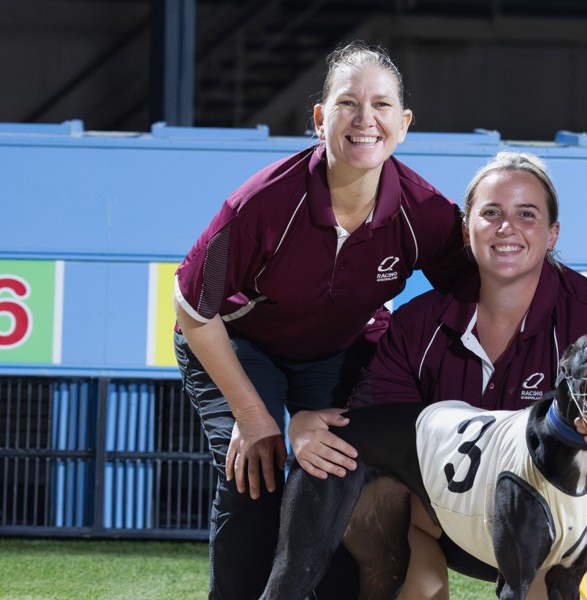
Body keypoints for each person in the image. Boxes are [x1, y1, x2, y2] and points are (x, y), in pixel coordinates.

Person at [290, 152, 587, 599]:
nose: (507, 227)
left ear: (552, 235)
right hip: (491, 510)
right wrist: (303, 426)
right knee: (374, 495)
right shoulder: (419, 323)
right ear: (467, 229)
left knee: (571, 589)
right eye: (491, 213)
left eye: (526, 215)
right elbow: (375, 439)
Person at [172, 40, 469, 599]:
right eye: (347, 103)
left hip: (337, 348)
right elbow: (191, 309)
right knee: (252, 473)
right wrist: (256, 417)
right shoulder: (261, 203)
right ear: (319, 118)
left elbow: (471, 295)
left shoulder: (424, 211)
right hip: (240, 343)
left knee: (337, 468)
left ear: (403, 124)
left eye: (382, 106)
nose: (365, 120)